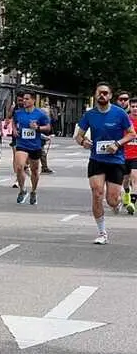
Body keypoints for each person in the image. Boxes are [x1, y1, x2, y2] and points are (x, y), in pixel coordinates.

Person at [75, 83, 136, 245]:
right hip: (96, 160)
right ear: (95, 95)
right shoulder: (90, 115)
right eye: (99, 93)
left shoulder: (120, 114)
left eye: (105, 93)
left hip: (116, 161)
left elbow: (131, 134)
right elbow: (79, 136)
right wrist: (83, 142)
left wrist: (117, 144)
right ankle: (102, 232)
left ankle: (118, 202)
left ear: (110, 96)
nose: (102, 95)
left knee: (112, 200)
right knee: (97, 193)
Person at [11, 92, 50, 205]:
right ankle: (22, 190)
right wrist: (14, 130)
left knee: (34, 170)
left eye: (27, 99)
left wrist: (37, 127)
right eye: (23, 99)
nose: (24, 101)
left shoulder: (40, 114)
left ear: (33, 101)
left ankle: (33, 191)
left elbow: (48, 128)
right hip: (22, 144)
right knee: (19, 167)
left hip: (35, 145)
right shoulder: (18, 113)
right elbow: (14, 122)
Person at [123, 99, 137, 215]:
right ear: (130, 107)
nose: (135, 109)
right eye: (133, 106)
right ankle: (127, 193)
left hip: (136, 156)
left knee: (135, 177)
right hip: (125, 155)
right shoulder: (125, 121)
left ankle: (132, 202)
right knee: (126, 180)